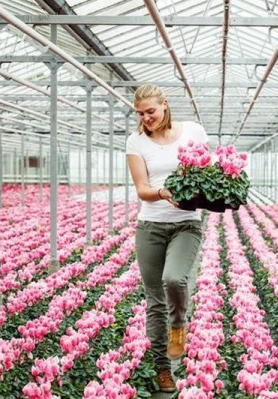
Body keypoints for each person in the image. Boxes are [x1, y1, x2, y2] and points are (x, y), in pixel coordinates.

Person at [126, 84, 206, 393]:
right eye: (140, 113)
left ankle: (178, 326)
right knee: (153, 300)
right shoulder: (136, 141)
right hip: (150, 226)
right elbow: (142, 188)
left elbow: (205, 173)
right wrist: (162, 192)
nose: (146, 118)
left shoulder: (194, 133)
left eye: (151, 111)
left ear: (164, 105)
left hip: (186, 223)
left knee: (174, 279)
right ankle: (162, 368)